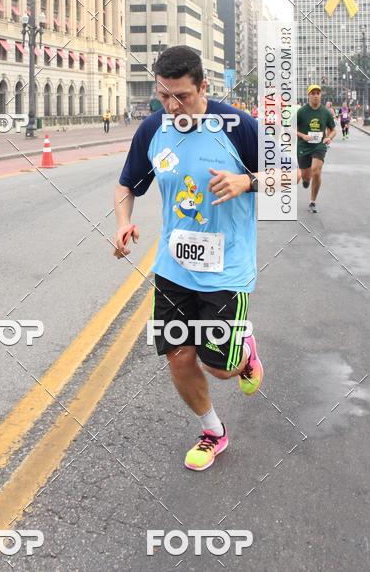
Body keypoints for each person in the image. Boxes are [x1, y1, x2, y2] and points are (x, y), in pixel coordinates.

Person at [113, 46, 261, 472]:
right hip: (174, 268)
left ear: (203, 87)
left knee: (220, 368)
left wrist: (247, 181)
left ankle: (244, 355)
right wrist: (123, 221)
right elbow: (126, 185)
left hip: (226, 270)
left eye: (182, 96)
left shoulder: (236, 127)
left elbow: (290, 176)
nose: (173, 107)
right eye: (164, 97)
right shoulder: (152, 131)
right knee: (178, 356)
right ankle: (213, 431)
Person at [297, 84, 336, 213]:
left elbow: (333, 130)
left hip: (319, 146)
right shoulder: (302, 111)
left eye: (317, 93)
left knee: (316, 171)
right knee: (306, 176)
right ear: (308, 95)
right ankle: (306, 180)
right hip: (303, 146)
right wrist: (303, 136)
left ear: (320, 95)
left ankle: (313, 201)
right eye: (313, 93)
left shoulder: (325, 112)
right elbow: (290, 129)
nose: (315, 95)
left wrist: (329, 138)